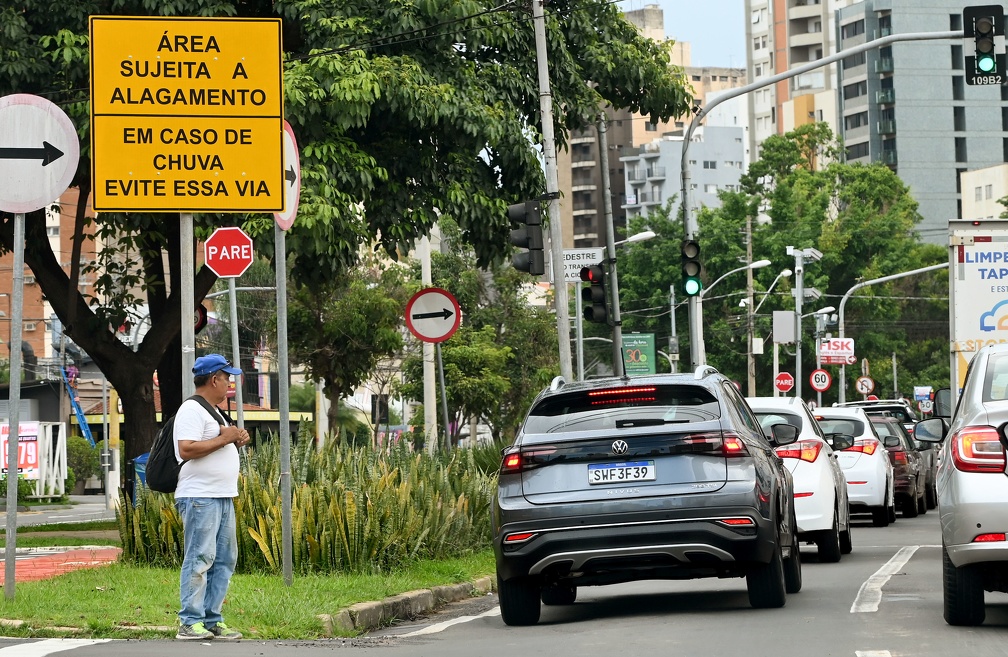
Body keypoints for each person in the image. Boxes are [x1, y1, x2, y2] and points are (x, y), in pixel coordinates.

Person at [174, 354, 251, 641]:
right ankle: (189, 621)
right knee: (200, 557)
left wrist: (236, 437)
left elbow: (220, 441)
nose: (230, 383)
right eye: (227, 377)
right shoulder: (191, 410)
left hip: (222, 496)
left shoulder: (213, 411)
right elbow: (187, 449)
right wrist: (226, 438)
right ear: (214, 378)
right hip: (200, 497)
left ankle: (211, 620)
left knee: (224, 560)